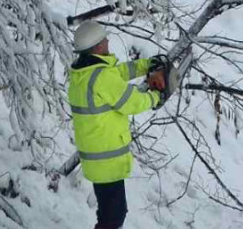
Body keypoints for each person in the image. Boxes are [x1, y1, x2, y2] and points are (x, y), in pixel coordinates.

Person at [67, 21, 176, 229]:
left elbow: (120, 72)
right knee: (113, 217)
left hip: (97, 159)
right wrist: (155, 97)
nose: (108, 41)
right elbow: (131, 102)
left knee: (109, 214)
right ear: (97, 46)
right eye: (104, 39)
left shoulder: (85, 74)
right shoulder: (100, 77)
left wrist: (147, 65)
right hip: (106, 161)